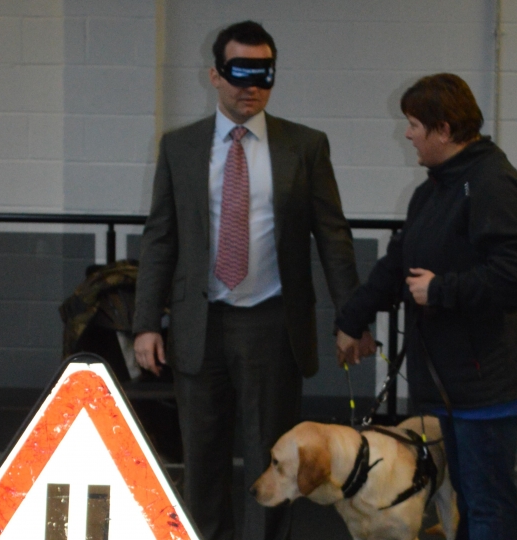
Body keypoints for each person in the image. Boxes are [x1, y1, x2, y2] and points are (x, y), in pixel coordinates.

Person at [132, 20, 374, 540]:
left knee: (276, 458)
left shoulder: (305, 147)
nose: (252, 86)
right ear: (214, 76)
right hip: (200, 324)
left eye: (264, 75)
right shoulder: (180, 148)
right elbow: (160, 239)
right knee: (203, 461)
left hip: (272, 325)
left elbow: (333, 236)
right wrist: (146, 322)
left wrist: (352, 318)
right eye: (240, 74)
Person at [335, 73, 517, 540]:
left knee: (487, 505)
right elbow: (397, 265)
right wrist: (352, 320)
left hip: (490, 382)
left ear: (444, 130)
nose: (406, 134)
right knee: (470, 500)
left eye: (413, 124)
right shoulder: (434, 190)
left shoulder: (493, 183)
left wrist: (444, 290)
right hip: (454, 384)